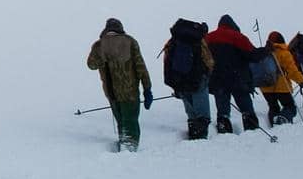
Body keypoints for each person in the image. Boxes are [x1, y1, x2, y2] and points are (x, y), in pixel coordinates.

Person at [87, 17, 153, 151]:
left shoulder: (99, 45)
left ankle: (124, 141)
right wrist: (147, 88)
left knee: (121, 120)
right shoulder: (130, 41)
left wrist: (104, 58)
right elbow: (140, 66)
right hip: (130, 90)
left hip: (111, 91)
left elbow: (91, 65)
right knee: (130, 120)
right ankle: (129, 146)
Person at [161, 18, 214, 140]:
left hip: (179, 81)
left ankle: (193, 134)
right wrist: (207, 75)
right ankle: (201, 138)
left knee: (191, 113)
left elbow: (167, 61)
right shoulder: (198, 41)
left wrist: (173, 82)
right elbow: (209, 61)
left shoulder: (173, 41)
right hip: (197, 79)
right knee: (202, 113)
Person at [205, 15, 259, 132]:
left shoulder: (208, 38)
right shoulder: (238, 37)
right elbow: (253, 55)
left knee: (222, 108)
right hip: (238, 78)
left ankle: (223, 128)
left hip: (217, 80)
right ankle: (252, 129)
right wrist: (265, 50)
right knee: (245, 106)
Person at [258, 31, 303, 126]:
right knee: (290, 107)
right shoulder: (284, 53)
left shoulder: (263, 53)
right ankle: (282, 119)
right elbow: (292, 71)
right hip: (282, 86)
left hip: (265, 86)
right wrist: (302, 80)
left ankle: (273, 125)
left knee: (273, 107)